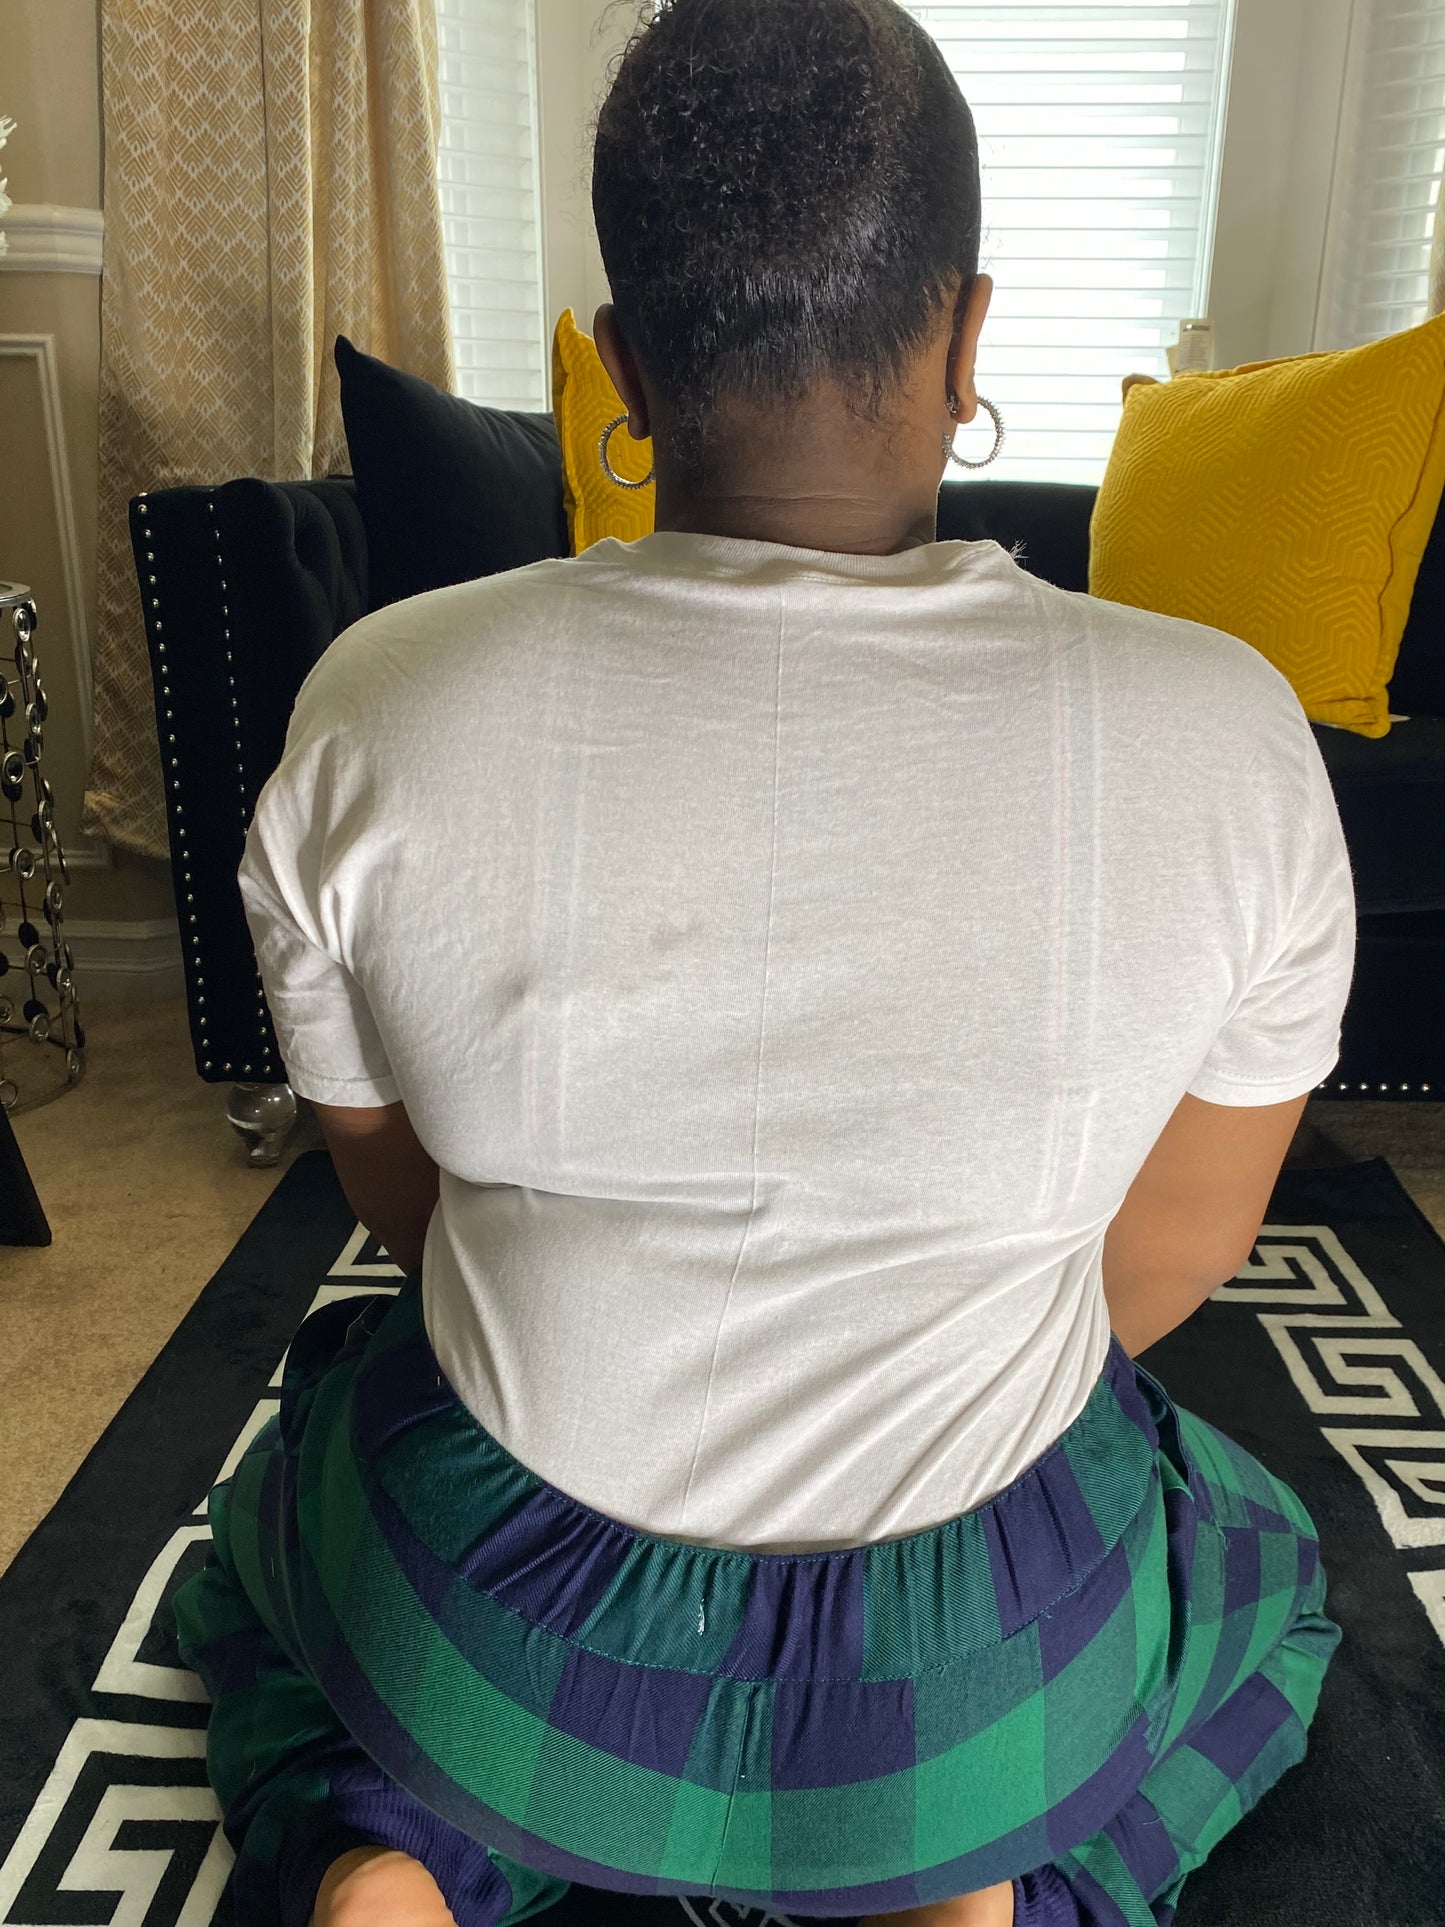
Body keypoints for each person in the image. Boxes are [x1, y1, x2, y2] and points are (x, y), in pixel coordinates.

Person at [173, 3, 1356, 1924]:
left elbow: (403, 1202)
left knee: (281, 1528)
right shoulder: (1228, 736)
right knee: (1258, 1575)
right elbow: (1166, 1258)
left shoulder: (379, 699)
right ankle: (977, 1890)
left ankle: (384, 1860)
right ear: (967, 339)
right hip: (955, 1665)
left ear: (626, 366)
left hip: (512, 1631)